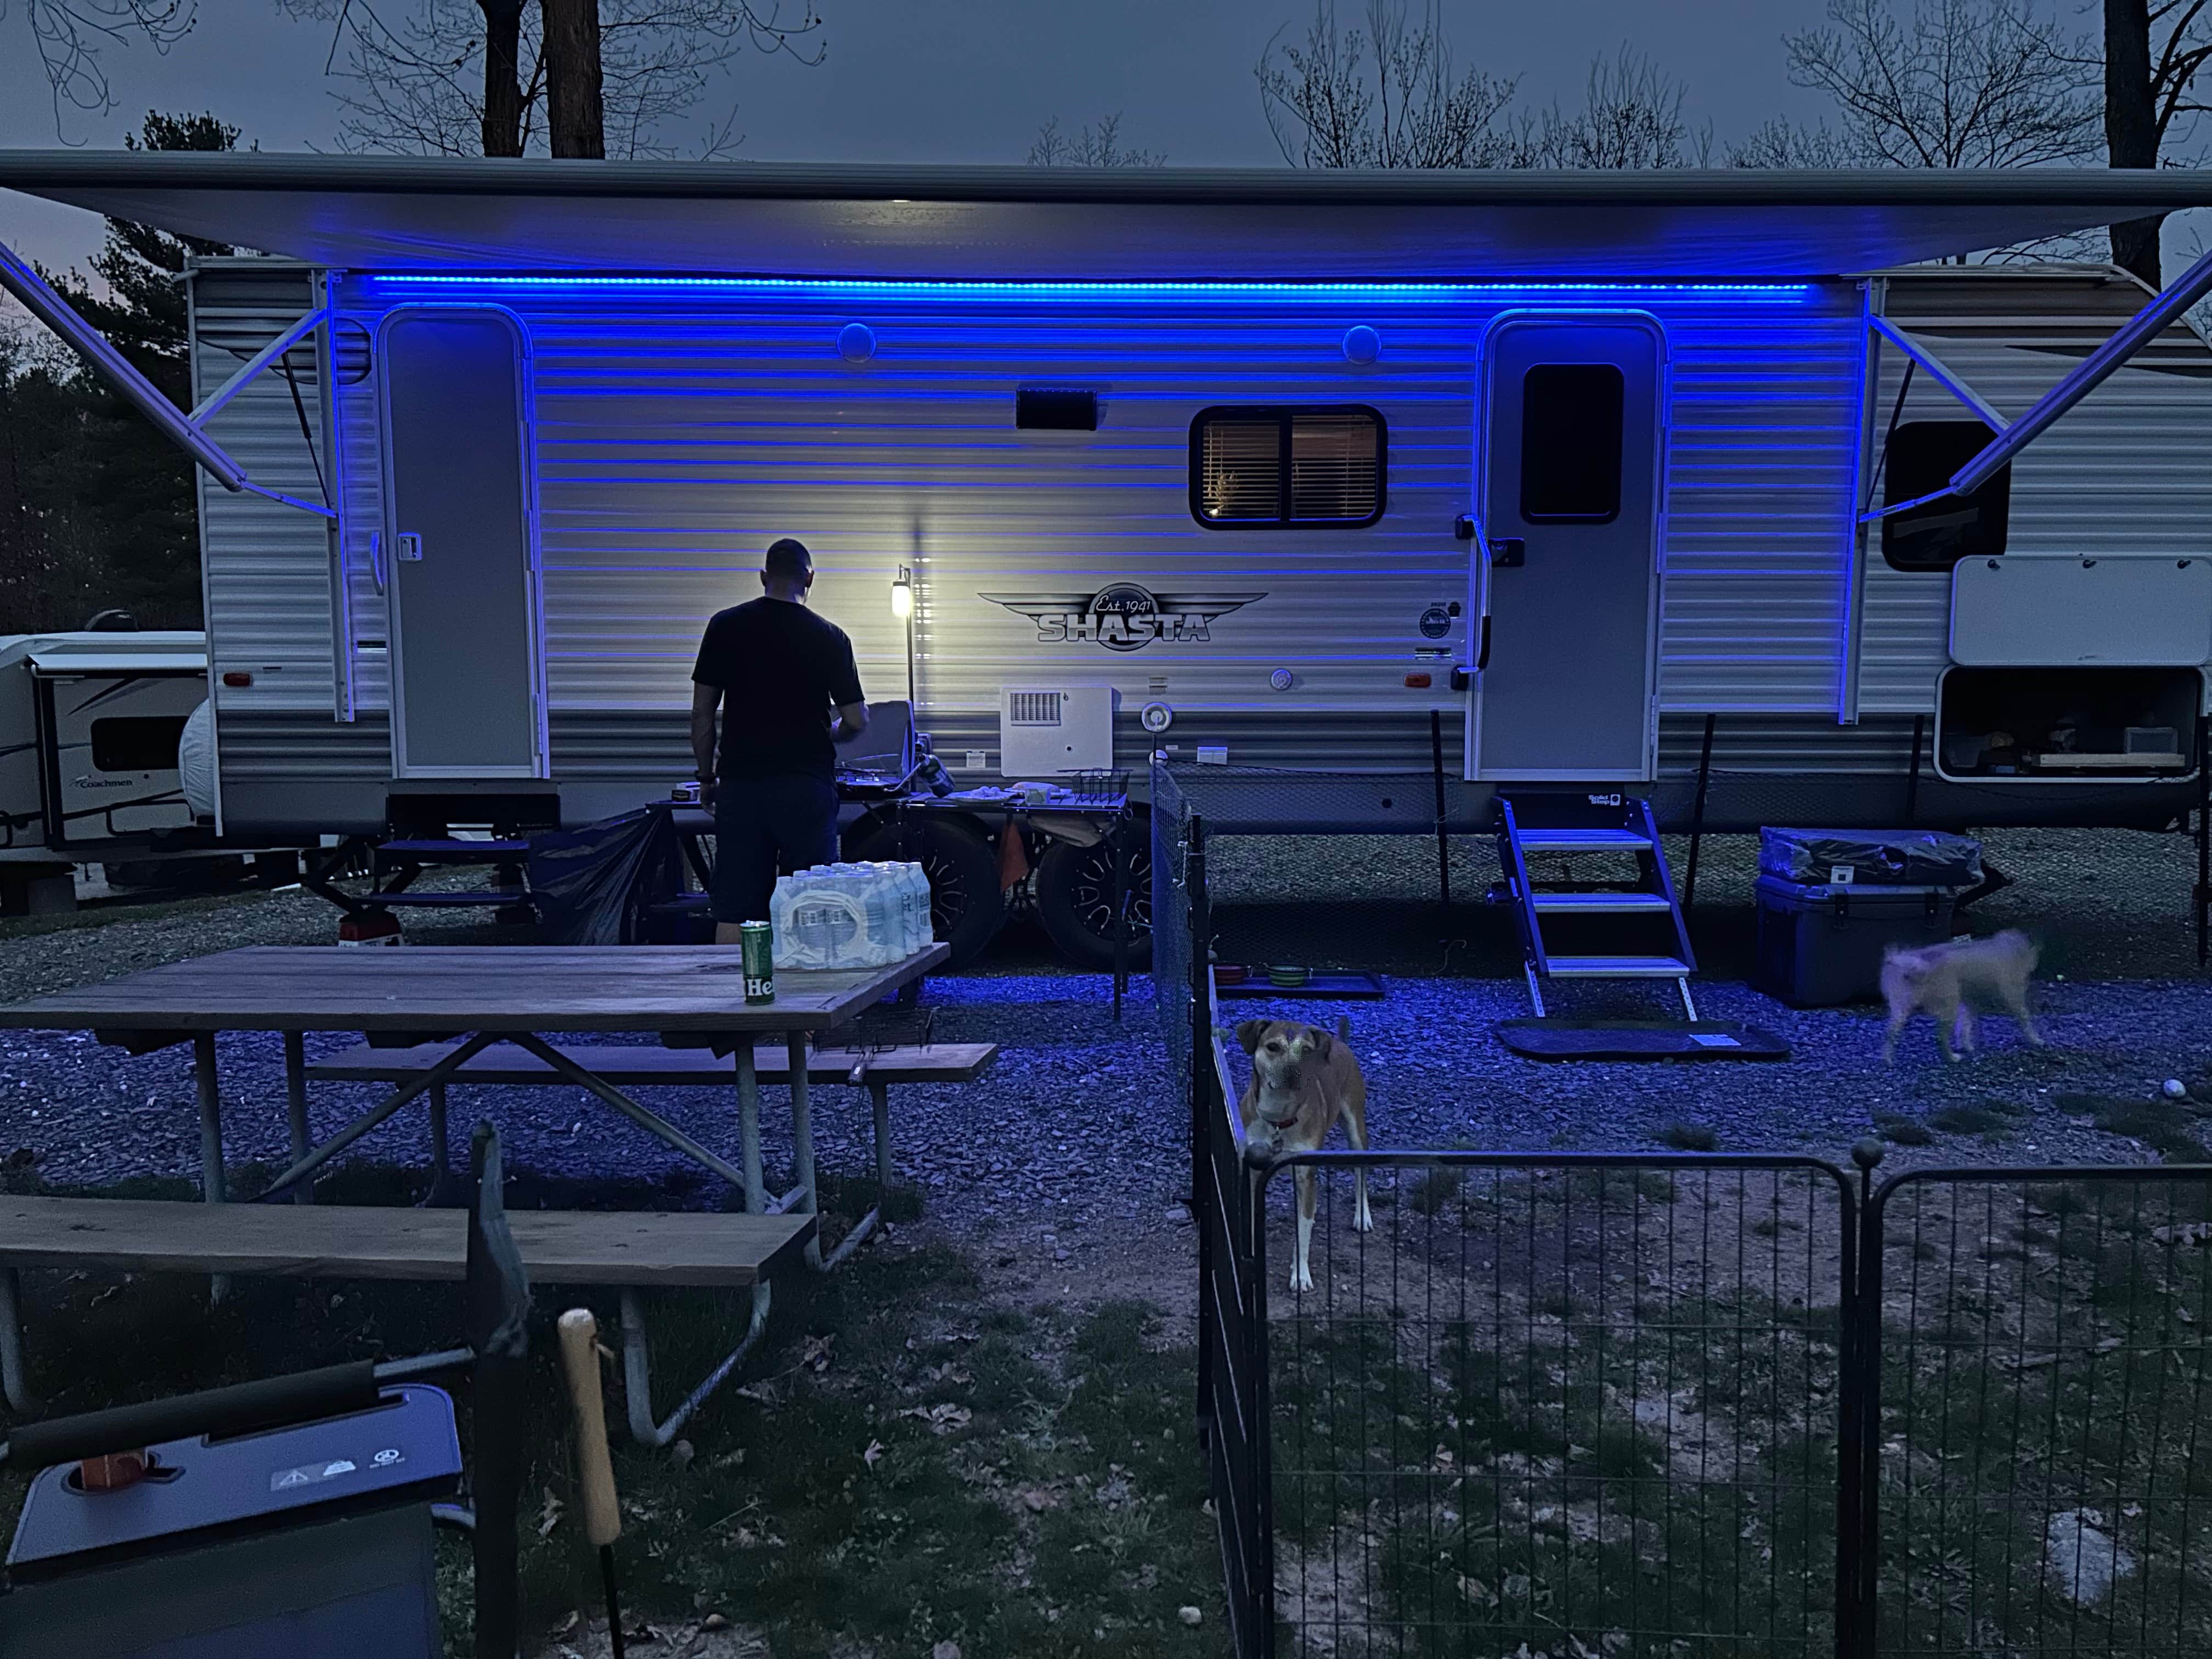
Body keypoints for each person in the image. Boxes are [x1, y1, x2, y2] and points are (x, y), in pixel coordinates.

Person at [691, 538, 868, 940]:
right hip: (806, 789)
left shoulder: (725, 625)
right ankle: (810, 1001)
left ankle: (732, 998)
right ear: (810, 578)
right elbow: (857, 720)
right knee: (811, 902)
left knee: (736, 908)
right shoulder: (829, 636)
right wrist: (835, 734)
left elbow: (702, 713)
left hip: (741, 787)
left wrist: (706, 778)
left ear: (763, 576)